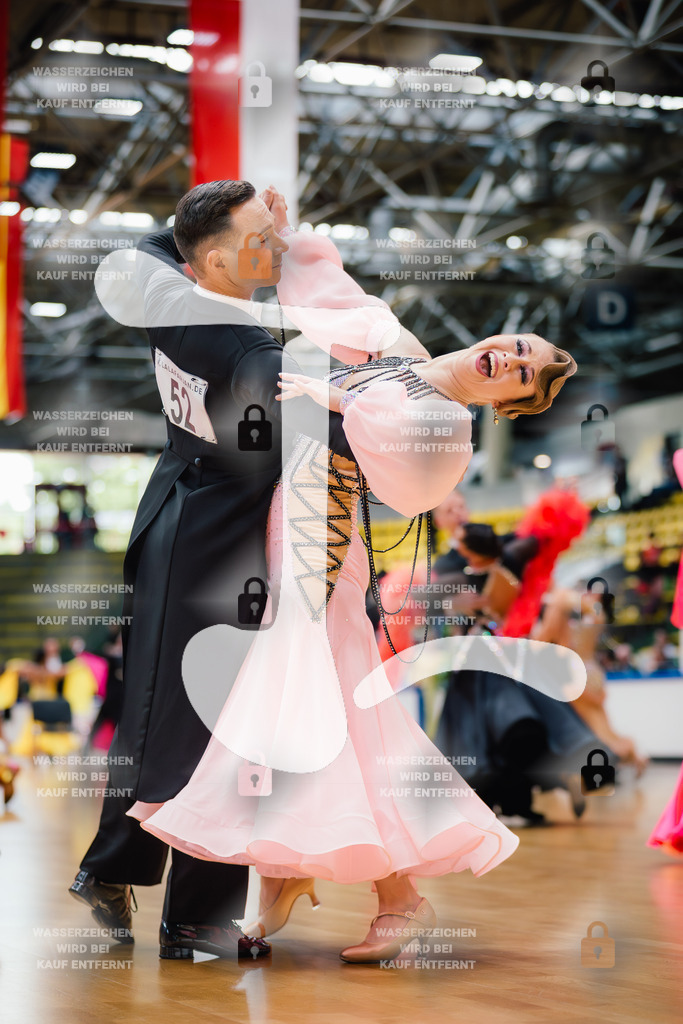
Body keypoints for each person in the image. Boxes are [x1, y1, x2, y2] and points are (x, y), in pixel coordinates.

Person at [126, 187, 578, 963]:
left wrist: (323, 393)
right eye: (520, 345)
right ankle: (296, 879)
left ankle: (383, 893)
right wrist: (282, 230)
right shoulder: (395, 347)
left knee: (327, 721)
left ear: (510, 403)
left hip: (322, 570)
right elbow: (330, 293)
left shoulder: (448, 426)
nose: (511, 358)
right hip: (278, 542)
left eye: (521, 374)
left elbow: (409, 481)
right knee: (295, 724)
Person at [69, 180, 357, 961]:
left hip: (203, 529)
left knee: (213, 728)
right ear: (222, 259)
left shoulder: (173, 291)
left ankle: (171, 903)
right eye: (264, 233)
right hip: (204, 544)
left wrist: (230, 225)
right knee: (187, 723)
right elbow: (320, 421)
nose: (281, 240)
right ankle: (158, 897)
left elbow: (159, 247)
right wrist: (421, 406)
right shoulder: (240, 344)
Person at [532, 586, 648, 774]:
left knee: (594, 727)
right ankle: (632, 755)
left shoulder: (565, 622)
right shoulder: (595, 620)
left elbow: (540, 641)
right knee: (602, 724)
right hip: (593, 674)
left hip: (576, 676)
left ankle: (619, 756)